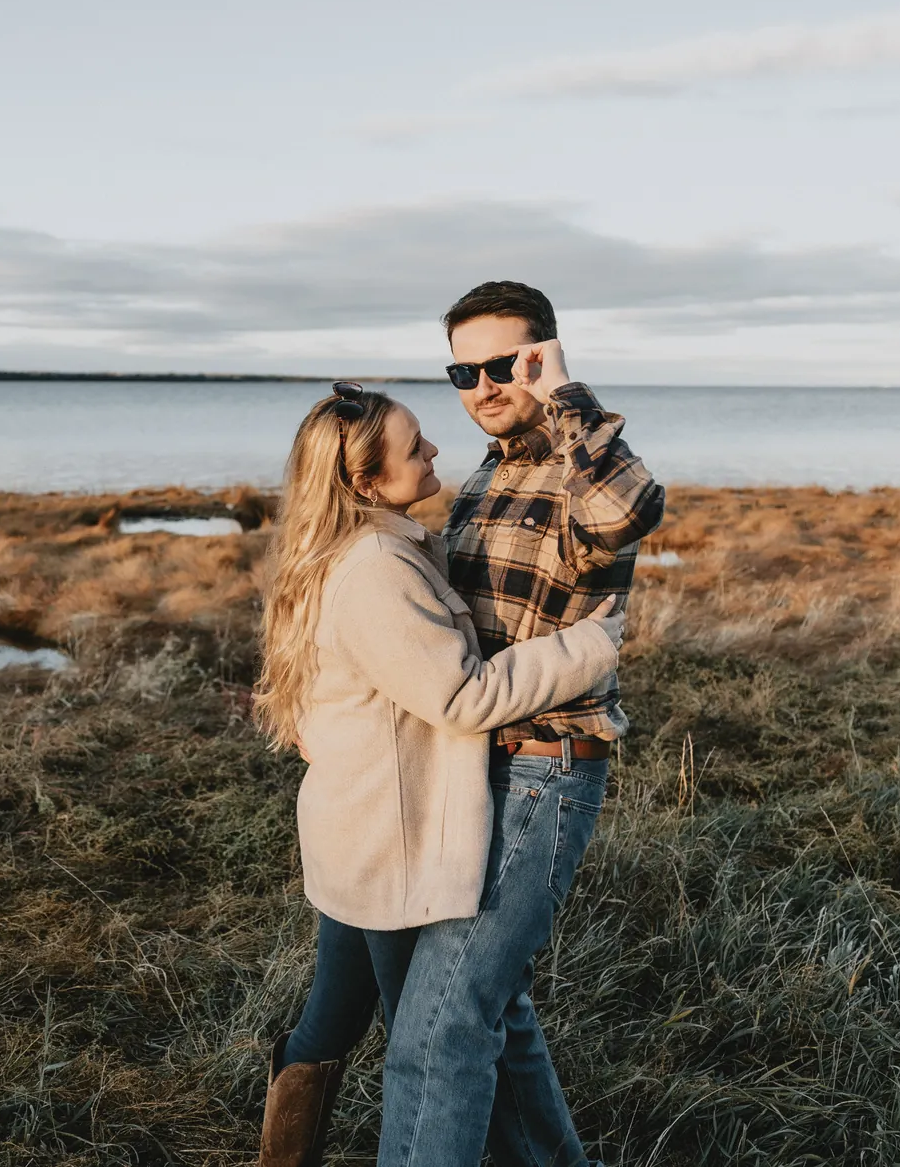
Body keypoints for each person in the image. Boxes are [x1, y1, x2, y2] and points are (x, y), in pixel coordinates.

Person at [254, 381, 625, 1167]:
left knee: (336, 1012)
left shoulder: (350, 547)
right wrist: (592, 645)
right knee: (426, 1036)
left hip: (353, 824)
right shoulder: (376, 567)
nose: (433, 452)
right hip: (389, 842)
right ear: (362, 481)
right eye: (414, 445)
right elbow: (462, 696)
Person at [378, 282, 666, 1167]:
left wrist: (566, 397)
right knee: (494, 1008)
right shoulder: (489, 470)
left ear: (545, 356)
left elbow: (630, 511)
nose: (482, 385)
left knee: (439, 1029)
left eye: (506, 364)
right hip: (475, 765)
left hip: (542, 771)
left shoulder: (572, 468)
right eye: (464, 369)